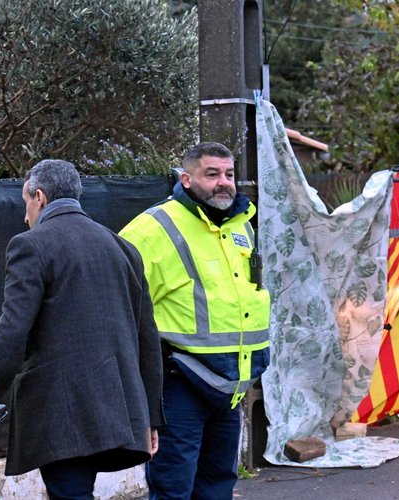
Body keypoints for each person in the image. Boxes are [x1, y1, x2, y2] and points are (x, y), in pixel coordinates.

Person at [0, 159, 164, 500]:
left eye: (26, 203)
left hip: (61, 413)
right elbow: (147, 339)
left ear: (39, 197)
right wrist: (150, 418)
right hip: (121, 410)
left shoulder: (30, 245)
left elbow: (11, 336)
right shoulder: (123, 248)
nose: (25, 216)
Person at [120, 142, 271, 499]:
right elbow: (120, 303)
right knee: (174, 488)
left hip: (230, 386)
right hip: (180, 383)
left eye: (229, 174)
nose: (224, 182)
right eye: (212, 174)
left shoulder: (239, 224)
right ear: (186, 179)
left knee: (218, 485)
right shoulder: (153, 228)